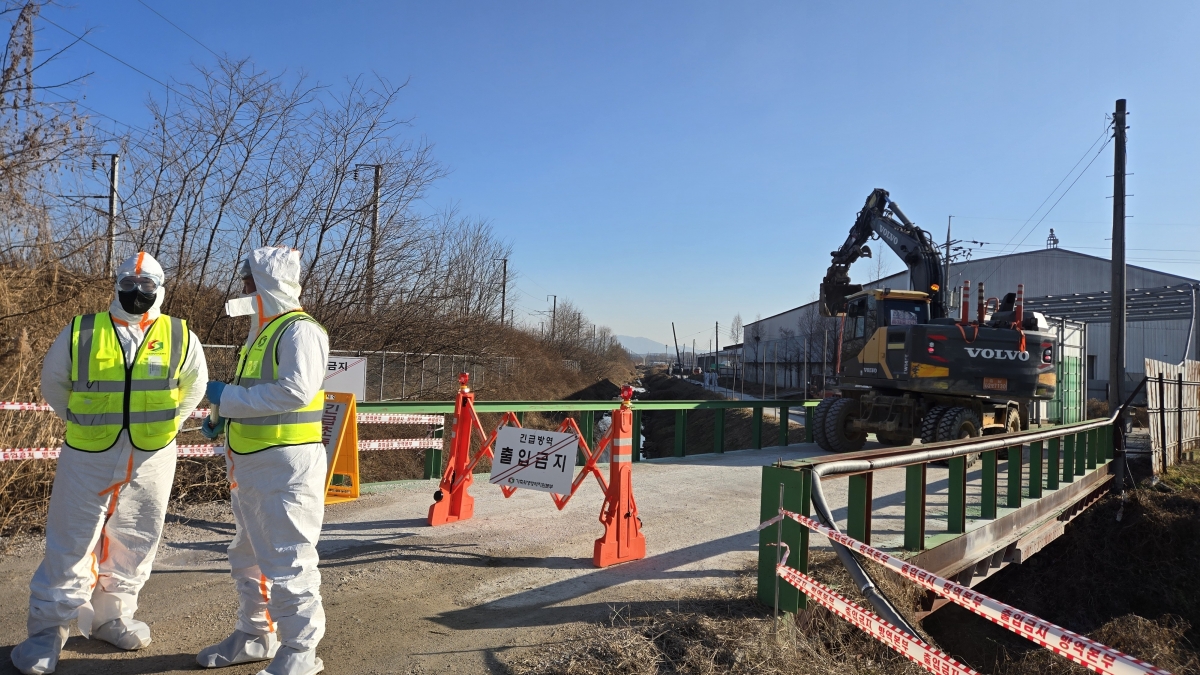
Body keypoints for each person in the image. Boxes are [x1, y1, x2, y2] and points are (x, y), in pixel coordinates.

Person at [11, 252, 208, 675]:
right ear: (117, 285)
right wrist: (89, 422)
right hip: (88, 453)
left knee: (136, 536)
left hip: (153, 453)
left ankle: (111, 617)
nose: (137, 293)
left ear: (160, 289)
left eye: (146, 287)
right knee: (72, 538)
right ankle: (48, 632)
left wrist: (167, 424)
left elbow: (195, 386)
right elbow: (54, 384)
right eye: (129, 285)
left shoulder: (180, 335)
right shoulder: (82, 331)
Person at [197, 246, 329, 675]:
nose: (242, 286)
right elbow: (262, 395)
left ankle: (300, 652)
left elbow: (294, 393)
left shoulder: (300, 331)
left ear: (266, 283)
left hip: (286, 467)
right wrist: (223, 419)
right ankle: (256, 634)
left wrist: (227, 398)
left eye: (248, 279)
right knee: (248, 553)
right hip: (253, 464)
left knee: (290, 559)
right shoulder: (264, 331)